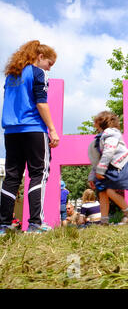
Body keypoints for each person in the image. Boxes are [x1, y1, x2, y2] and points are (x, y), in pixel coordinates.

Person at [0, 40, 59, 235]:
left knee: (12, 177)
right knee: (38, 174)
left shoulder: (11, 75)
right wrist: (52, 129)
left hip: (11, 132)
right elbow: (41, 103)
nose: (50, 68)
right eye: (50, 63)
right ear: (40, 57)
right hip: (34, 129)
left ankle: (4, 225)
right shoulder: (37, 72)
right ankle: (35, 223)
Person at [88, 111, 128, 226]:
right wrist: (92, 176)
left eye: (95, 122)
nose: (94, 124)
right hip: (108, 167)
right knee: (103, 192)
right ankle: (104, 221)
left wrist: (100, 170)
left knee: (109, 190)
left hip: (120, 164)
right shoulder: (99, 138)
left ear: (101, 122)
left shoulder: (111, 133)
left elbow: (109, 151)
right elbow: (97, 160)